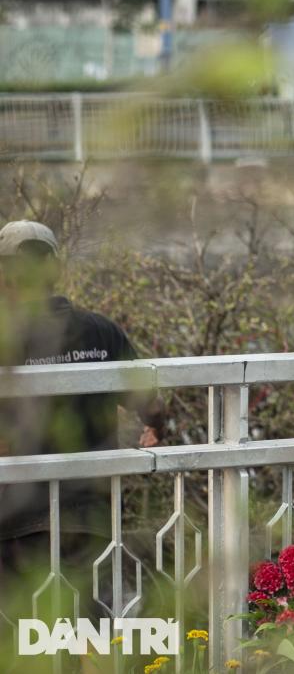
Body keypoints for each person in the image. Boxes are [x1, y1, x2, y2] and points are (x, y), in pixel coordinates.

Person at [0, 220, 156, 635]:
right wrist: (152, 428)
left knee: (23, 634)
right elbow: (151, 398)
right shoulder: (101, 331)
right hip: (91, 513)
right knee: (81, 626)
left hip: (15, 517)